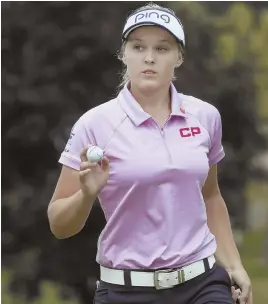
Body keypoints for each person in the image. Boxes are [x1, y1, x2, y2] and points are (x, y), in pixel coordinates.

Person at [47, 3, 252, 304]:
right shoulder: (95, 125)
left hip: (202, 284)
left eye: (163, 48)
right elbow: (58, 224)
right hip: (126, 291)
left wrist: (235, 266)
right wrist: (86, 196)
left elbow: (210, 196)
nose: (150, 57)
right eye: (138, 46)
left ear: (179, 57)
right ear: (123, 54)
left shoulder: (205, 117)